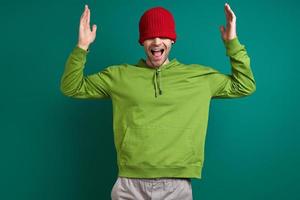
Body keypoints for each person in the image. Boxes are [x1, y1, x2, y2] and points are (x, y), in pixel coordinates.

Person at [60, 3, 256, 200]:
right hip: (129, 184)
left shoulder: (199, 78)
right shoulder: (119, 76)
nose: (156, 41)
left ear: (172, 40)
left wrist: (232, 42)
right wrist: (82, 47)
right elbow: (72, 87)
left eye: (162, 36)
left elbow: (245, 85)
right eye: (149, 37)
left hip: (177, 185)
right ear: (141, 41)